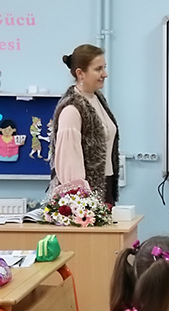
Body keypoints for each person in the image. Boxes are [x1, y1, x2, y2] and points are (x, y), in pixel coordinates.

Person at [51, 44, 121, 205]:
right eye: (98, 69)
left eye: (104, 67)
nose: (105, 74)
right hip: (85, 195)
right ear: (80, 73)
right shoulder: (72, 109)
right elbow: (69, 164)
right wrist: (80, 202)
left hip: (106, 185)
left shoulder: (97, 99)